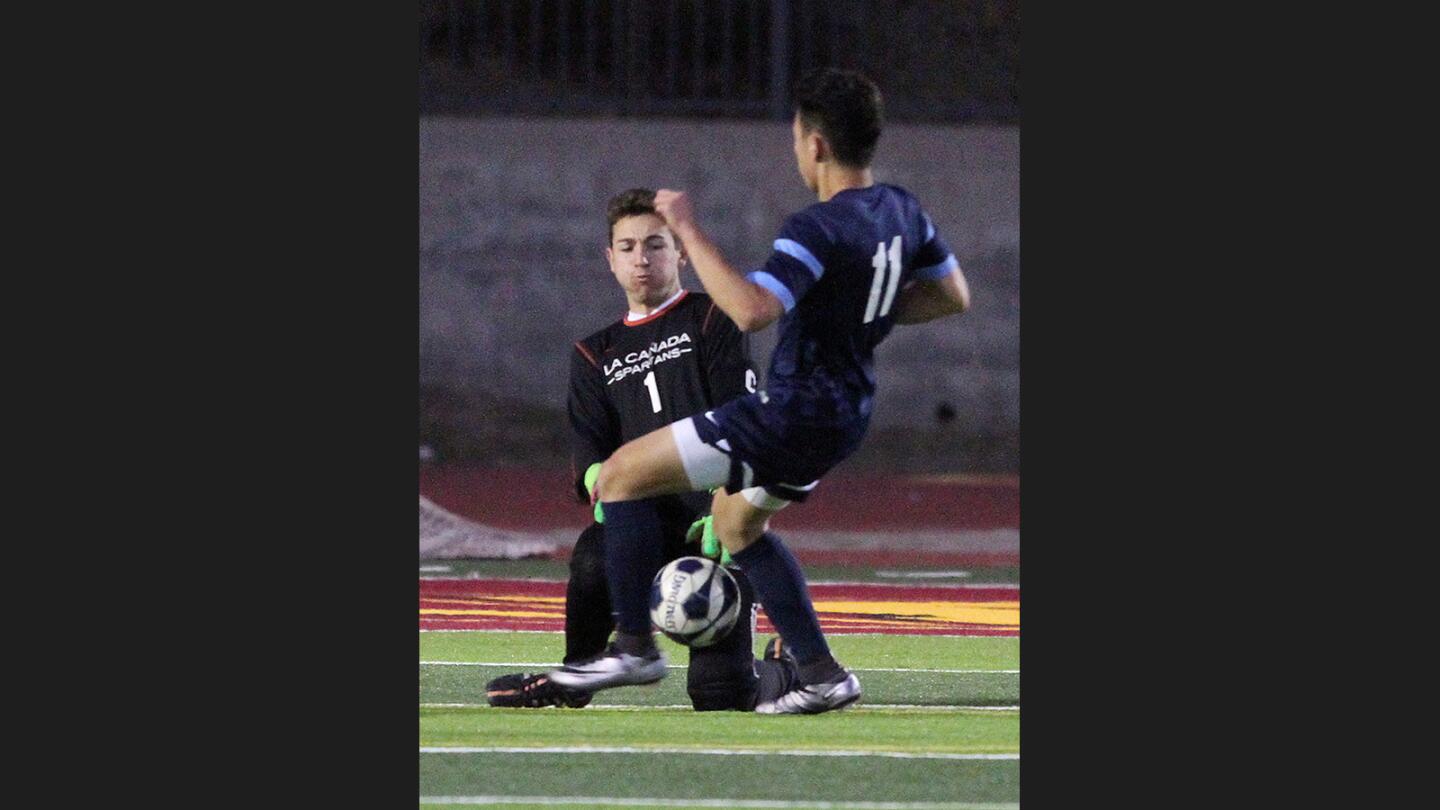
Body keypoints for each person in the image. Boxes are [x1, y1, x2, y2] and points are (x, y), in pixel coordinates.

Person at [547, 68, 972, 714]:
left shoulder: (816, 227)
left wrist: (687, 229)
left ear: (815, 145)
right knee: (737, 524)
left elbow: (750, 311)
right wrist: (863, 315)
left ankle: (634, 645)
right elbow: (951, 296)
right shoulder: (904, 209)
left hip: (794, 411)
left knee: (624, 476)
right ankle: (822, 672)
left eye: (797, 137)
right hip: (848, 412)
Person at [485, 188, 801, 711]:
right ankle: (575, 677)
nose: (641, 259)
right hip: (642, 530)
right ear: (610, 259)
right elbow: (590, 458)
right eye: (627, 247)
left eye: (655, 245)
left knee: (720, 696)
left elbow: (744, 428)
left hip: (712, 527)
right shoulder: (593, 353)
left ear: (679, 253)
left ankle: (784, 666)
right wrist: (607, 498)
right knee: (591, 556)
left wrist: (727, 512)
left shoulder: (713, 319)